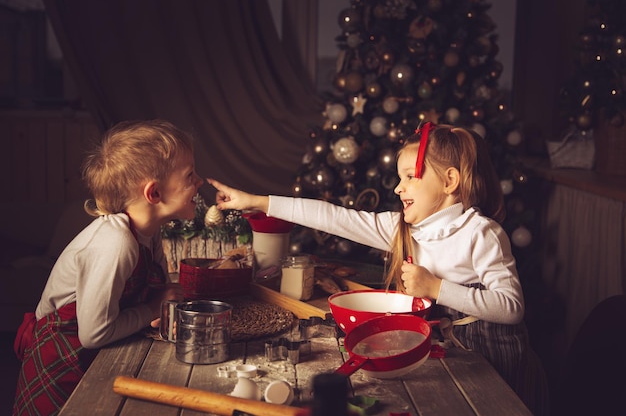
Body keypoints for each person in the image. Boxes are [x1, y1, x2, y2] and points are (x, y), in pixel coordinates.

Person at [208, 122, 550, 415]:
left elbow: (512, 308)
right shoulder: (401, 228)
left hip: (495, 360)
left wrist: (435, 288)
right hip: (450, 350)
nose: (398, 187)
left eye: (410, 177)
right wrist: (256, 201)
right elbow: (333, 217)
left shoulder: (482, 233)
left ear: (449, 181)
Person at [12, 119, 202, 416]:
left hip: (95, 359)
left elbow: (157, 292)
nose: (199, 182)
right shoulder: (115, 244)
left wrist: (163, 307)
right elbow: (94, 333)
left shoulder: (149, 232)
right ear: (154, 194)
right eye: (190, 175)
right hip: (61, 363)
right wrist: (152, 309)